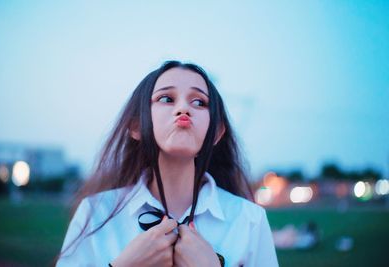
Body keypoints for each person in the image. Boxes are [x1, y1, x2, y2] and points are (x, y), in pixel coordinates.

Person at [56, 61, 279, 267]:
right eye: (166, 99)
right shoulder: (96, 212)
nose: (184, 109)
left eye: (199, 102)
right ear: (135, 125)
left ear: (217, 133)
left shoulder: (249, 219)